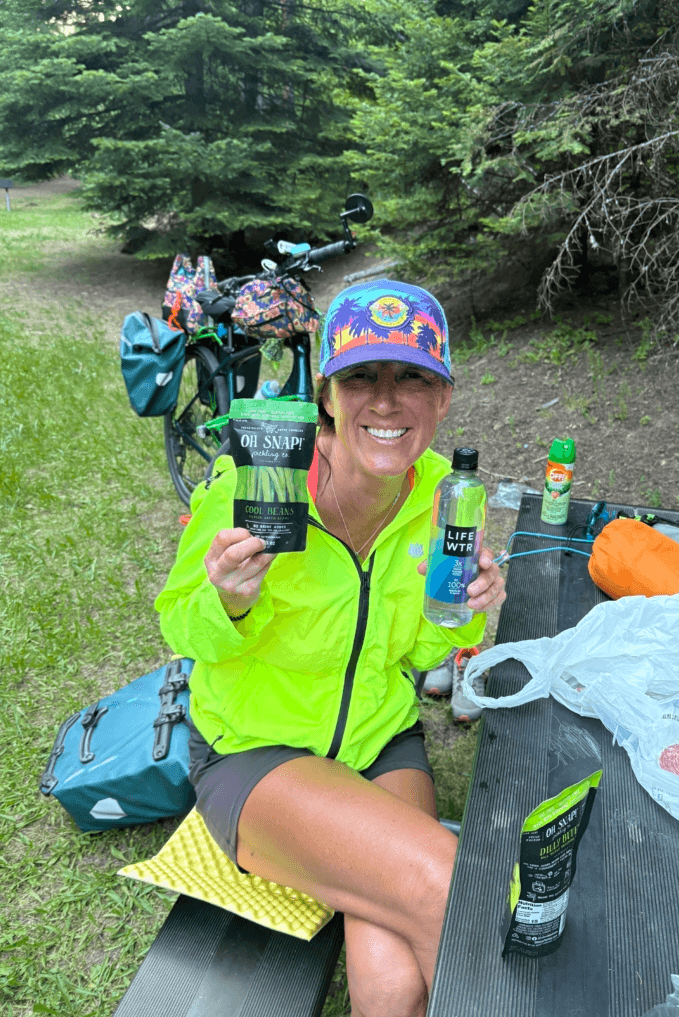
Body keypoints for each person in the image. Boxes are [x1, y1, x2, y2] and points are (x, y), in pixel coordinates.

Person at [155, 279, 506, 1017]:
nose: (385, 400)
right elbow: (179, 628)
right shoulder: (256, 487)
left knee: (393, 987)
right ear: (326, 394)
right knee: (450, 885)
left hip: (383, 743)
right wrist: (228, 599)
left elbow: (417, 650)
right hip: (256, 754)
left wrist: (466, 610)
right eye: (361, 376)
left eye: (412, 375)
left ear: (442, 398)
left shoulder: (443, 499)